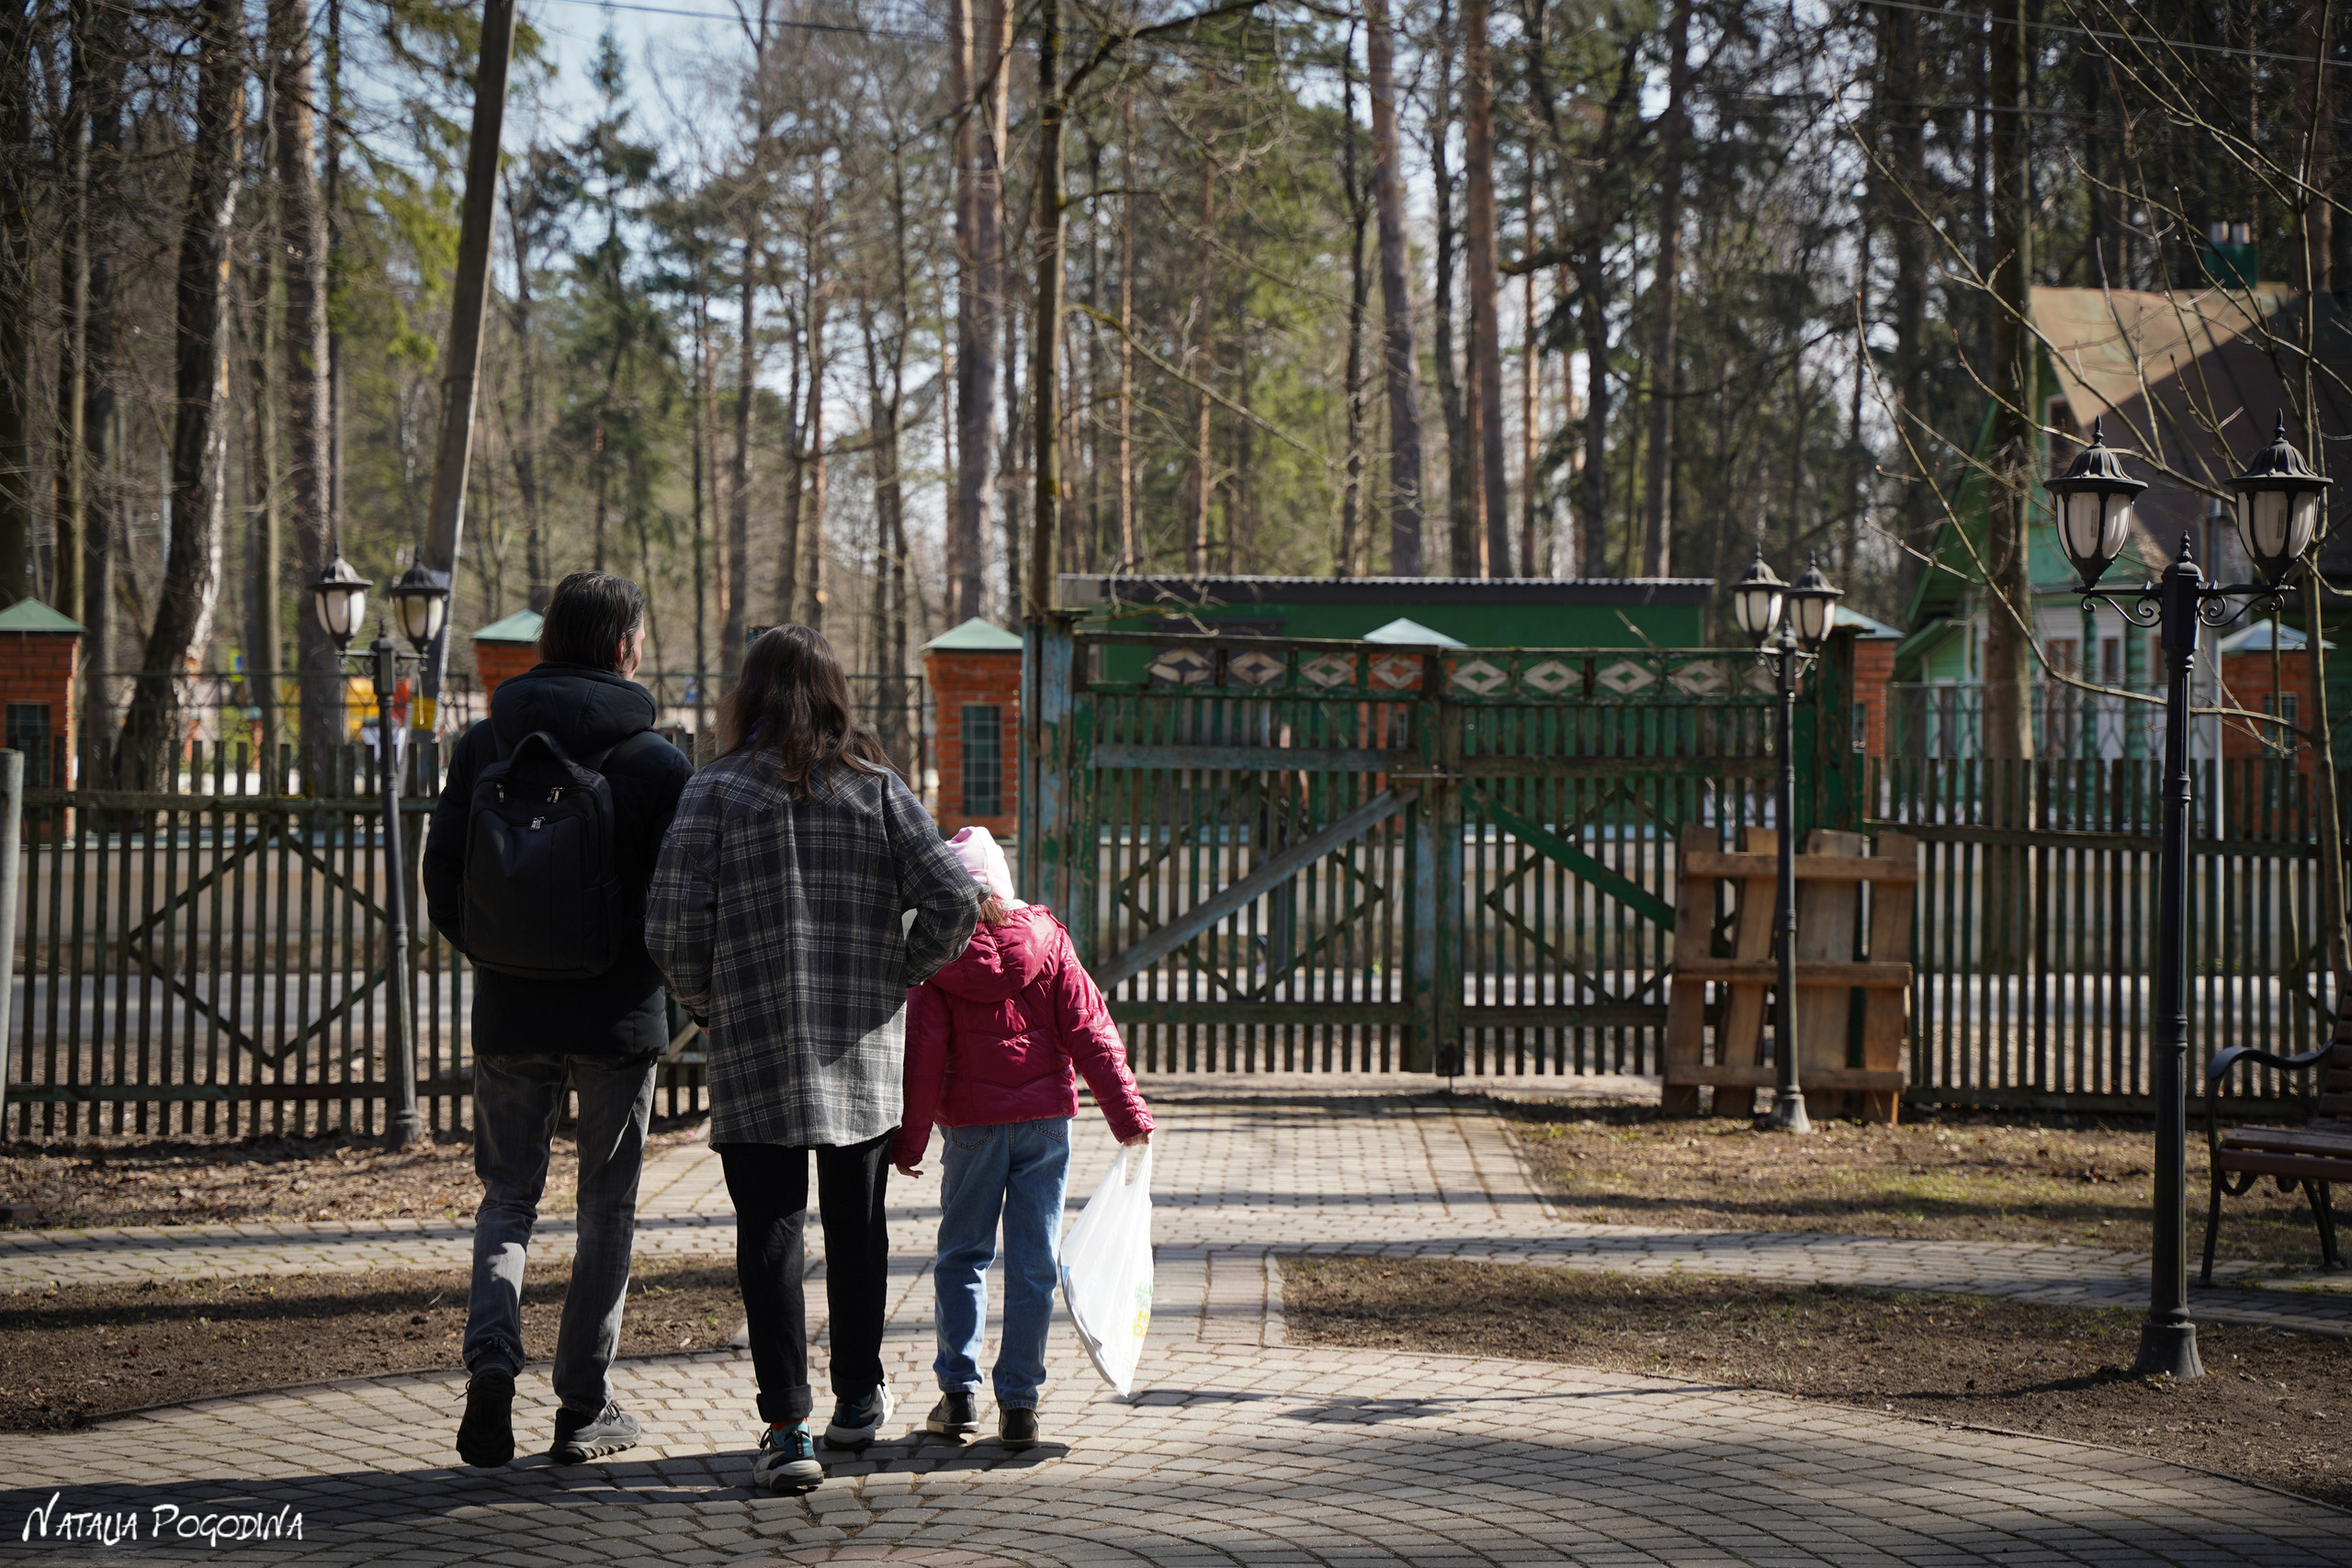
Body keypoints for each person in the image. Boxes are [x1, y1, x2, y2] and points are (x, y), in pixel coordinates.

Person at [646, 625, 977, 1491]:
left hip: (754, 1045)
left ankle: (787, 1427)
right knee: (856, 1227)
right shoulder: (876, 790)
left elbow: (670, 928)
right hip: (861, 1049)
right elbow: (953, 897)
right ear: (834, 693)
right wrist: (894, 978)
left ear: (748, 696)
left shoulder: (712, 790)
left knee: (770, 1232)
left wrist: (713, 1006)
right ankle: (860, 1398)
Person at [422, 570, 693, 1469]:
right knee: (606, 1210)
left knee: (508, 1198)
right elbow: (678, 901)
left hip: (509, 1012)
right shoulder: (655, 761)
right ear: (624, 646)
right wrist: (650, 981)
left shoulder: (482, 745)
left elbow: (444, 880)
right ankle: (583, 1410)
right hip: (618, 1019)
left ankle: (492, 1363)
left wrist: (500, 960)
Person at [895, 826, 1153, 1450]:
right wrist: (1129, 1117)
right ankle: (1020, 1403)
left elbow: (923, 1056)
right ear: (1006, 885)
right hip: (1043, 1124)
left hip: (973, 1127)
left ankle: (958, 1394)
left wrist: (909, 1143)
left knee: (964, 1254)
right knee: (1033, 1261)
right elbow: (1092, 1030)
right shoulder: (1050, 940)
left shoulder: (937, 957)